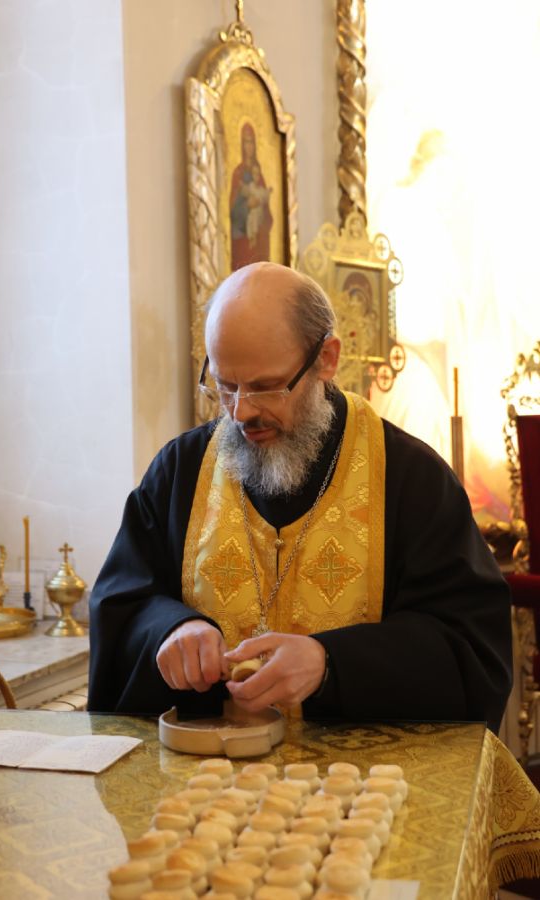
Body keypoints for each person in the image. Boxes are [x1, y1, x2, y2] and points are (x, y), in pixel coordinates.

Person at [88, 262, 512, 732]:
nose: (241, 412)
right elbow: (123, 604)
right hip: (207, 769)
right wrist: (171, 628)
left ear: (326, 359)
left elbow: (469, 647)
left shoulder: (412, 479)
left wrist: (331, 663)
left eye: (265, 387)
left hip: (359, 775)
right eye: (225, 387)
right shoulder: (180, 472)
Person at [229, 123, 273, 269]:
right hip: (242, 242)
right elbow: (232, 211)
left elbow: (267, 213)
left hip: (260, 242)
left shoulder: (259, 175)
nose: (249, 147)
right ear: (242, 145)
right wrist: (247, 205)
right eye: (246, 142)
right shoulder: (238, 173)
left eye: (252, 142)